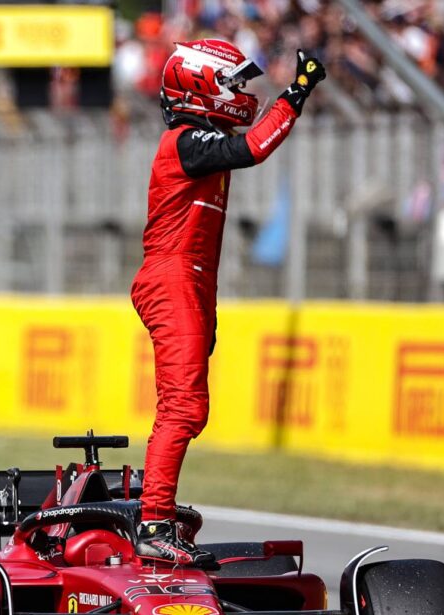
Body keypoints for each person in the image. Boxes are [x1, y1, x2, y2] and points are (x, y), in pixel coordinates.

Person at [131, 40, 326, 566]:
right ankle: (153, 523)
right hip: (173, 276)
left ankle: (157, 514)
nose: (242, 94)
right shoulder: (185, 143)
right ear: (202, 85)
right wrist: (296, 92)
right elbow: (255, 147)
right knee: (184, 405)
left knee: (187, 406)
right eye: (234, 84)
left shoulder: (196, 142)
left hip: (190, 279)